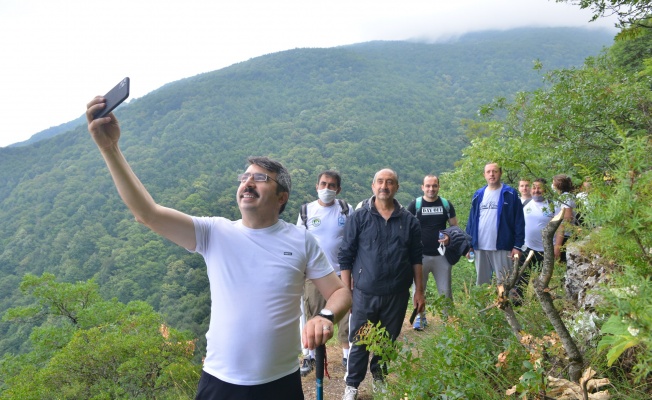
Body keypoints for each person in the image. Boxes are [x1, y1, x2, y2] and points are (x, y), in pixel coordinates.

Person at [86, 97, 352, 400]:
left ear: (281, 198)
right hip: (220, 382)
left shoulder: (300, 239)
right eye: (245, 177)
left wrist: (326, 316)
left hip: (281, 382)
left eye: (260, 178)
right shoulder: (214, 232)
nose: (248, 182)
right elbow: (147, 213)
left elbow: (341, 292)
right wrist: (109, 149)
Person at [338, 168, 425, 400]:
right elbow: (345, 256)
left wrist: (420, 291)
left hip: (397, 294)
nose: (384, 186)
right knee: (360, 339)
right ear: (373, 186)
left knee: (387, 341)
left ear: (396, 187)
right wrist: (346, 292)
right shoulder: (359, 217)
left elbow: (417, 258)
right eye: (380, 182)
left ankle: (380, 379)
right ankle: (352, 385)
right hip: (365, 293)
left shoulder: (409, 221)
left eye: (390, 182)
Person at [296, 170, 353, 374]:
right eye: (323, 184)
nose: (327, 189)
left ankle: (347, 356)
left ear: (338, 189)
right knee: (313, 314)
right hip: (315, 275)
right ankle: (309, 357)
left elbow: (354, 240)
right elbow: (298, 243)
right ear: (316, 186)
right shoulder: (307, 211)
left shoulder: (346, 210)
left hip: (341, 273)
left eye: (331, 185)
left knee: (346, 316)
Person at [405, 174, 458, 330]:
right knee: (419, 289)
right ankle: (420, 318)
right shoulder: (415, 205)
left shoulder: (446, 205)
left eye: (434, 185)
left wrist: (450, 238)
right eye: (428, 186)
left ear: (438, 187)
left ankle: (447, 320)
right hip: (419, 257)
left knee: (445, 290)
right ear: (422, 187)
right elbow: (406, 228)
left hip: (442, 255)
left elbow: (455, 228)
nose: (431, 189)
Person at [466, 163, 525, 286]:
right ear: (484, 175)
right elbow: (471, 221)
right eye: (488, 172)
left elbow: (519, 221)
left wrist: (518, 246)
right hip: (480, 247)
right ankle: (483, 305)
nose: (491, 174)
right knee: (482, 285)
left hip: (503, 246)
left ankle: (505, 305)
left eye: (495, 171)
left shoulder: (510, 194)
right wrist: (468, 245)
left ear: (500, 173)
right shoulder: (478, 195)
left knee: (505, 283)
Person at [514, 178, 555, 304]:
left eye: (539, 188)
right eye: (534, 188)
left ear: (545, 190)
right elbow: (516, 225)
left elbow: (561, 227)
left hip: (546, 250)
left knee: (543, 281)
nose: (536, 190)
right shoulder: (525, 204)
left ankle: (540, 306)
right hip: (527, 248)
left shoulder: (552, 205)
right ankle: (517, 305)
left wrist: (557, 246)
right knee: (521, 278)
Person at [552, 174, 577, 262]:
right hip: (563, 234)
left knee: (562, 261)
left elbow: (567, 218)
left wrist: (558, 246)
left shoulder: (565, 197)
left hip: (565, 235)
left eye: (553, 182)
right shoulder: (566, 196)